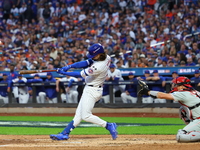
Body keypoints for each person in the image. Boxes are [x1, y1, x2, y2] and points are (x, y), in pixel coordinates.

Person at [50, 43, 118, 140]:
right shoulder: (106, 57)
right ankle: (65, 133)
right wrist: (69, 66)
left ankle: (108, 125)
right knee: (79, 114)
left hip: (93, 90)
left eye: (93, 55)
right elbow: (86, 62)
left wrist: (64, 73)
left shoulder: (98, 67)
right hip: (90, 88)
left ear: (98, 55)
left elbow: (79, 74)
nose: (92, 57)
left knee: (86, 116)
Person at [138, 76, 200, 142]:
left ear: (182, 86)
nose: (174, 86)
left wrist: (148, 92)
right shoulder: (195, 92)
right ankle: (194, 129)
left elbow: (162, 96)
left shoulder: (183, 93)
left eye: (176, 85)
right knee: (182, 110)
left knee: (181, 136)